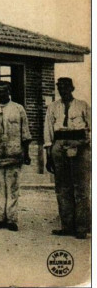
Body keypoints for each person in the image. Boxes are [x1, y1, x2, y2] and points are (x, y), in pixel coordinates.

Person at [0, 81, 31, 232]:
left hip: (13, 155)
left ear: (9, 91)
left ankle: (11, 220)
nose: (1, 94)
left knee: (12, 188)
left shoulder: (18, 109)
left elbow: (25, 134)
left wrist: (26, 153)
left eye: (4, 91)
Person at [44, 77, 91, 239]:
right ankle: (67, 226)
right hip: (59, 145)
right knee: (62, 187)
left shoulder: (83, 105)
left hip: (79, 144)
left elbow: (91, 127)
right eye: (60, 87)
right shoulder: (53, 107)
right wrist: (49, 155)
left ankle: (82, 227)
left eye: (66, 87)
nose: (62, 90)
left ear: (72, 88)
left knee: (81, 187)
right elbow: (48, 132)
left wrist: (83, 144)